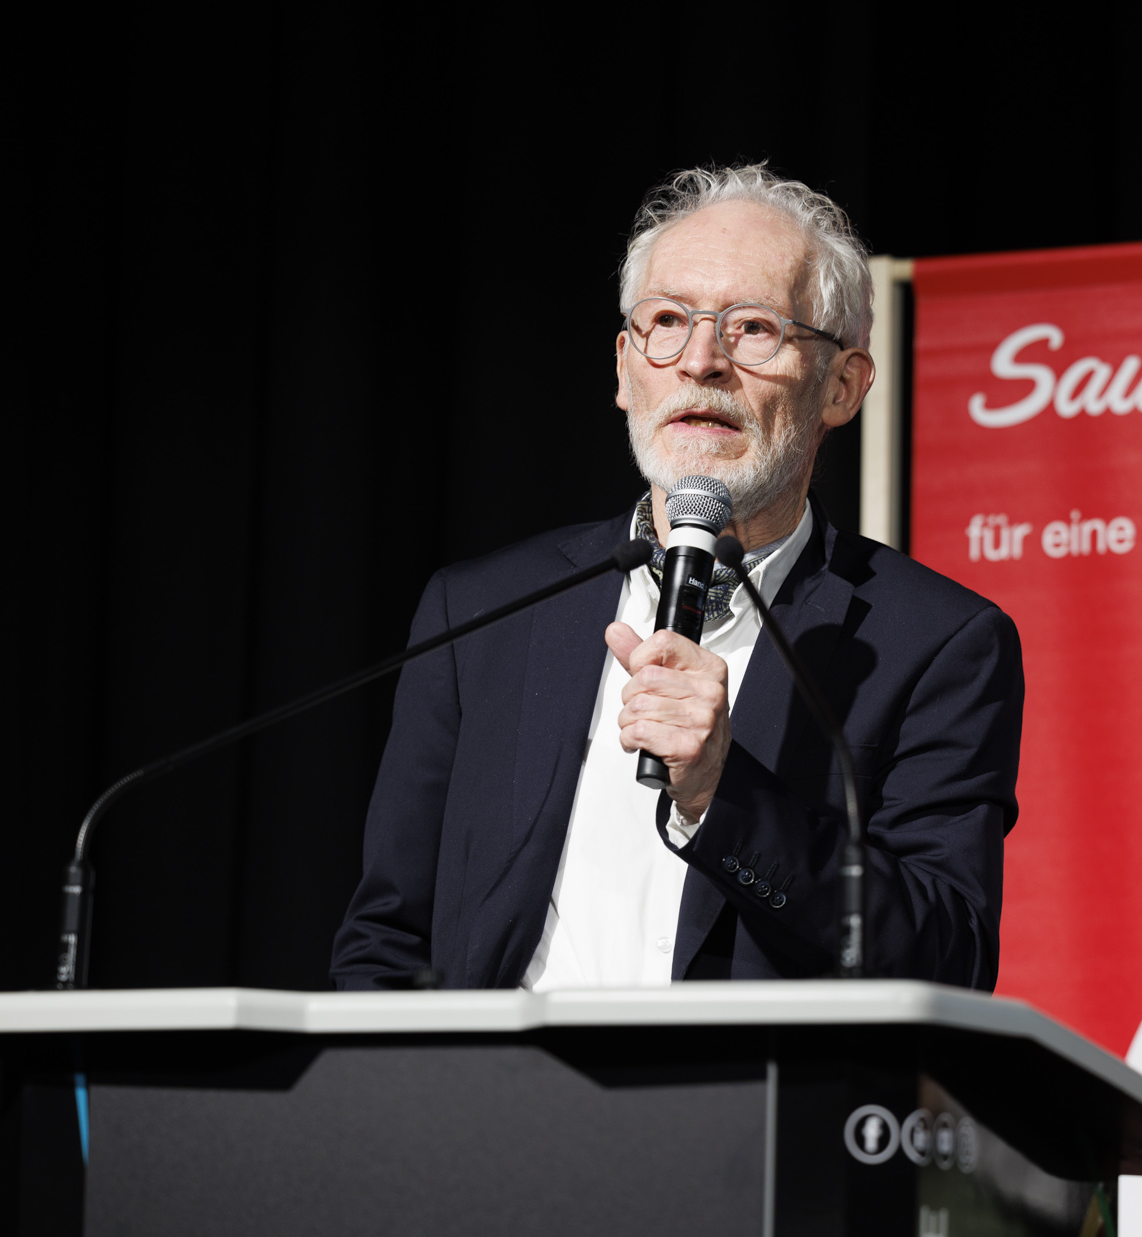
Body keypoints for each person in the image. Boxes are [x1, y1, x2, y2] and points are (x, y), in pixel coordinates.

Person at [332, 165, 1024, 990]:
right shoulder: (480, 611)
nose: (701, 361)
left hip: (743, 1111)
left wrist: (721, 793)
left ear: (841, 386)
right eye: (668, 321)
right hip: (497, 1107)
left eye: (753, 328)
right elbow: (386, 938)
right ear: (626, 369)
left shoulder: (936, 643)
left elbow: (947, 958)